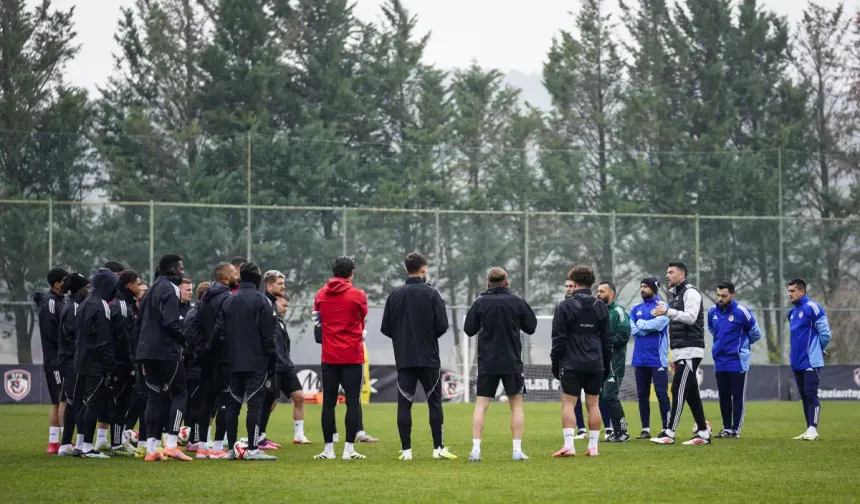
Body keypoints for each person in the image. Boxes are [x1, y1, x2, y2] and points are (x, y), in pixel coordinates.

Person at [381, 252, 455, 461]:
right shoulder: (433, 294)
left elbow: (386, 328)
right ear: (424, 268)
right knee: (434, 402)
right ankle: (437, 449)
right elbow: (442, 326)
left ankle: (406, 452)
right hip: (429, 357)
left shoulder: (395, 295)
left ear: (406, 269)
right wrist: (427, 337)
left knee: (404, 404)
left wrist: (402, 339)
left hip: (404, 358)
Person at [464, 267, 537, 462]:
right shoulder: (517, 301)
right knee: (517, 406)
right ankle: (516, 450)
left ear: (488, 282)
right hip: (512, 361)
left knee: (481, 405)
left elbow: (468, 329)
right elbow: (531, 327)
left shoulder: (480, 302)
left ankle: (476, 450)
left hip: (487, 361)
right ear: (506, 281)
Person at [213, 262, 277, 461]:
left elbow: (219, 333)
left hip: (233, 363)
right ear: (257, 279)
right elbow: (268, 337)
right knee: (255, 406)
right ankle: (252, 448)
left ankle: (232, 449)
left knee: (233, 405)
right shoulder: (262, 301)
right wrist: (272, 361)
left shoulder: (229, 301)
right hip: (256, 362)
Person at [135, 253, 192, 461]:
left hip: (146, 352)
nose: (182, 272)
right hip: (166, 352)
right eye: (180, 268)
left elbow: (139, 323)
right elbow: (170, 323)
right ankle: (171, 444)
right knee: (180, 393)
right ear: (171, 269)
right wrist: (184, 340)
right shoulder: (170, 288)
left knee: (154, 397)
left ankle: (151, 449)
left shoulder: (149, 291)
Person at [550, 266, 611, 458]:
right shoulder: (600, 306)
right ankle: (593, 447)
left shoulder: (564, 306)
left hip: (572, 361)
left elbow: (558, 339)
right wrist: (606, 363)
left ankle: (569, 445)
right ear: (591, 284)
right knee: (593, 404)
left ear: (574, 283)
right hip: (595, 362)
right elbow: (608, 339)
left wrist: (556, 362)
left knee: (568, 403)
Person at [313, 256, 369, 460]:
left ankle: (328, 450)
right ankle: (348, 450)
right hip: (352, 356)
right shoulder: (358, 295)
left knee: (328, 403)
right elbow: (361, 318)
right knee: (353, 402)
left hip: (329, 356)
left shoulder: (320, 294)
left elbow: (319, 319)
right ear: (351, 272)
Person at [651, 262, 711, 446]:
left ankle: (669, 432)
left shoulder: (691, 292)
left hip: (691, 349)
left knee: (678, 388)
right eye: (666, 272)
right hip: (681, 351)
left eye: (671, 272)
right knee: (691, 392)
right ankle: (703, 432)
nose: (667, 275)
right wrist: (675, 355)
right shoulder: (676, 294)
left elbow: (691, 318)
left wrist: (667, 311)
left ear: (682, 274)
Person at [191, 262, 239, 459]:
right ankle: (218, 447)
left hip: (206, 358)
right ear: (227, 276)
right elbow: (225, 329)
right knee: (225, 402)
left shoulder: (204, 299)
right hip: (223, 357)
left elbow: (193, 325)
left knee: (207, 401)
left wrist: (201, 350)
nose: (238, 275)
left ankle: (202, 446)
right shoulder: (227, 298)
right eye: (235, 272)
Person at [259, 271, 311, 448]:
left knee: (299, 396)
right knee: (269, 402)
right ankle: (260, 436)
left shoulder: (280, 320)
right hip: (273, 367)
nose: (286, 309)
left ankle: (299, 435)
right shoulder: (266, 310)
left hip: (286, 366)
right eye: (284, 306)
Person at [74, 268, 119, 459]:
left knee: (85, 404)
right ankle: (86, 447)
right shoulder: (101, 306)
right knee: (93, 404)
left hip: (82, 361)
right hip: (95, 364)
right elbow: (104, 340)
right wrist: (110, 367)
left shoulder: (85, 304)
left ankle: (80, 444)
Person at [707, 281, 762, 438]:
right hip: (720, 361)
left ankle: (735, 430)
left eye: (724, 296)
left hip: (737, 361)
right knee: (723, 396)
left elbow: (756, 333)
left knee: (737, 396)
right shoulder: (712, 312)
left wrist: (742, 345)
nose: (720, 299)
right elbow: (712, 329)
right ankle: (726, 428)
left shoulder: (742, 312)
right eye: (718, 295)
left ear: (732, 295)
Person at [787, 279, 831, 441]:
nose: (789, 294)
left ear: (802, 292)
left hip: (811, 361)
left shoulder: (813, 308)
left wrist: (819, 348)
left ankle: (814, 429)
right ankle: (808, 429)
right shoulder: (791, 313)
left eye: (793, 291)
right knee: (804, 396)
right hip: (797, 361)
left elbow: (825, 333)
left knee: (811, 394)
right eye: (789, 291)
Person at [630, 277, 671, 439]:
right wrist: (644, 326)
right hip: (639, 359)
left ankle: (667, 428)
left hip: (657, 359)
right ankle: (645, 429)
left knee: (662, 393)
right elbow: (632, 329)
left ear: (654, 289)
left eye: (645, 286)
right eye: (641, 286)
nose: (642, 289)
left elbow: (658, 325)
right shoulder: (635, 308)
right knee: (642, 394)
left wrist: (641, 324)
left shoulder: (663, 307)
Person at [107, 270, 142, 457]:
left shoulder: (128, 305)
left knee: (123, 403)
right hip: (122, 364)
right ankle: (115, 444)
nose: (139, 286)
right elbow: (122, 340)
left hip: (126, 362)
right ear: (129, 285)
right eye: (137, 283)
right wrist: (129, 364)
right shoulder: (120, 306)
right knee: (120, 403)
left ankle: (117, 442)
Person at [36, 267, 69, 454]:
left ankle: (54, 443)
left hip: (58, 359)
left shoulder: (58, 301)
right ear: (57, 284)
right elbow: (52, 334)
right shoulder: (50, 303)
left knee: (58, 401)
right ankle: (64, 441)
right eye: (65, 280)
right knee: (62, 399)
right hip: (56, 360)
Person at [56, 273, 89, 456]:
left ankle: (68, 443)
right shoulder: (73, 308)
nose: (88, 290)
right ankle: (69, 443)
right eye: (87, 287)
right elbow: (73, 336)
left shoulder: (76, 306)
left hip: (73, 359)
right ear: (79, 289)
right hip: (71, 360)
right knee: (74, 400)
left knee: (74, 400)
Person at [595, 281, 632, 442]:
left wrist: (603, 341)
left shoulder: (619, 312)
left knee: (610, 396)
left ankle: (623, 431)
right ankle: (614, 431)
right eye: (597, 291)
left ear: (611, 294)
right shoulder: (596, 311)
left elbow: (623, 337)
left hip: (614, 363)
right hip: (599, 363)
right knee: (603, 396)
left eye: (602, 291)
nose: (598, 294)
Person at [184, 281, 210, 456]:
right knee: (197, 405)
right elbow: (194, 342)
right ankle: (195, 440)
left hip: (194, 365)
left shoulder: (194, 313)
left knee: (198, 404)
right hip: (195, 367)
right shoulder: (197, 315)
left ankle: (196, 439)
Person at [563, 278, 587, 439]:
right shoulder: (563, 306)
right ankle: (581, 429)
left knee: (594, 399)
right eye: (566, 286)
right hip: (570, 358)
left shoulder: (588, 305)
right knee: (572, 397)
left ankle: (608, 428)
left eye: (571, 286)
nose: (568, 289)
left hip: (588, 357)